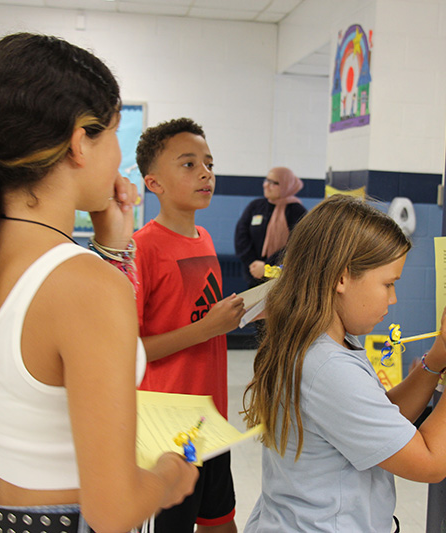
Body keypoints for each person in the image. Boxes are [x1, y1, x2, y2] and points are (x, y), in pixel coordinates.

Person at [0, 33, 197, 533]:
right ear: (78, 142)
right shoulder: (82, 285)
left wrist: (111, 247)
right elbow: (112, 510)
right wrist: (168, 477)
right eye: (112, 132)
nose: (118, 156)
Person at [242, 195, 446, 533]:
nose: (393, 298)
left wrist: (436, 361)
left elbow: (379, 422)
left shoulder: (318, 341)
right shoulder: (328, 368)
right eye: (388, 284)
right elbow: (430, 462)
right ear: (341, 279)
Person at [133, 117, 245, 533]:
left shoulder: (204, 238)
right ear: (154, 183)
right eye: (188, 164)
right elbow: (130, 351)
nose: (205, 173)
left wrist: (249, 310)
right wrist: (206, 329)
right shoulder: (140, 249)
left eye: (209, 163)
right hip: (166, 424)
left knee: (219, 522)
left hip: (210, 414)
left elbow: (200, 314)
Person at [234, 167, 307, 287]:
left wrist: (267, 267)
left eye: (274, 183)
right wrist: (253, 263)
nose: (267, 185)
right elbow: (241, 236)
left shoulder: (297, 212)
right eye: (267, 180)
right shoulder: (256, 206)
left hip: (282, 279)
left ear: (286, 185)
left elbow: (296, 245)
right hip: (253, 274)